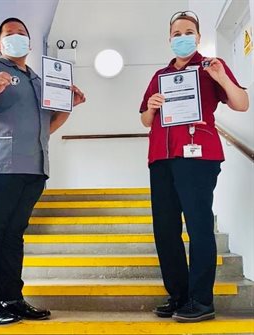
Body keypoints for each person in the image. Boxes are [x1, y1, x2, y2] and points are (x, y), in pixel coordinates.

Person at [0, 17, 85, 325]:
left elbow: (47, 127)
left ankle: (12, 298)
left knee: (14, 235)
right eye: (10, 35)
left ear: (29, 43)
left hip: (33, 168)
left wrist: (70, 106)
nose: (17, 38)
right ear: (0, 44)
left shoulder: (38, 81)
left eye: (22, 34)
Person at [139, 11, 248, 323]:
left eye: (189, 31)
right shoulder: (159, 76)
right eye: (176, 33)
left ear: (198, 38)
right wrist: (151, 107)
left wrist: (221, 78)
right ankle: (179, 296)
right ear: (169, 39)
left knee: (199, 227)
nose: (182, 37)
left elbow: (241, 103)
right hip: (161, 158)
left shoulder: (210, 67)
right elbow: (145, 120)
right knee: (165, 229)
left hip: (198, 158)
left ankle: (201, 301)